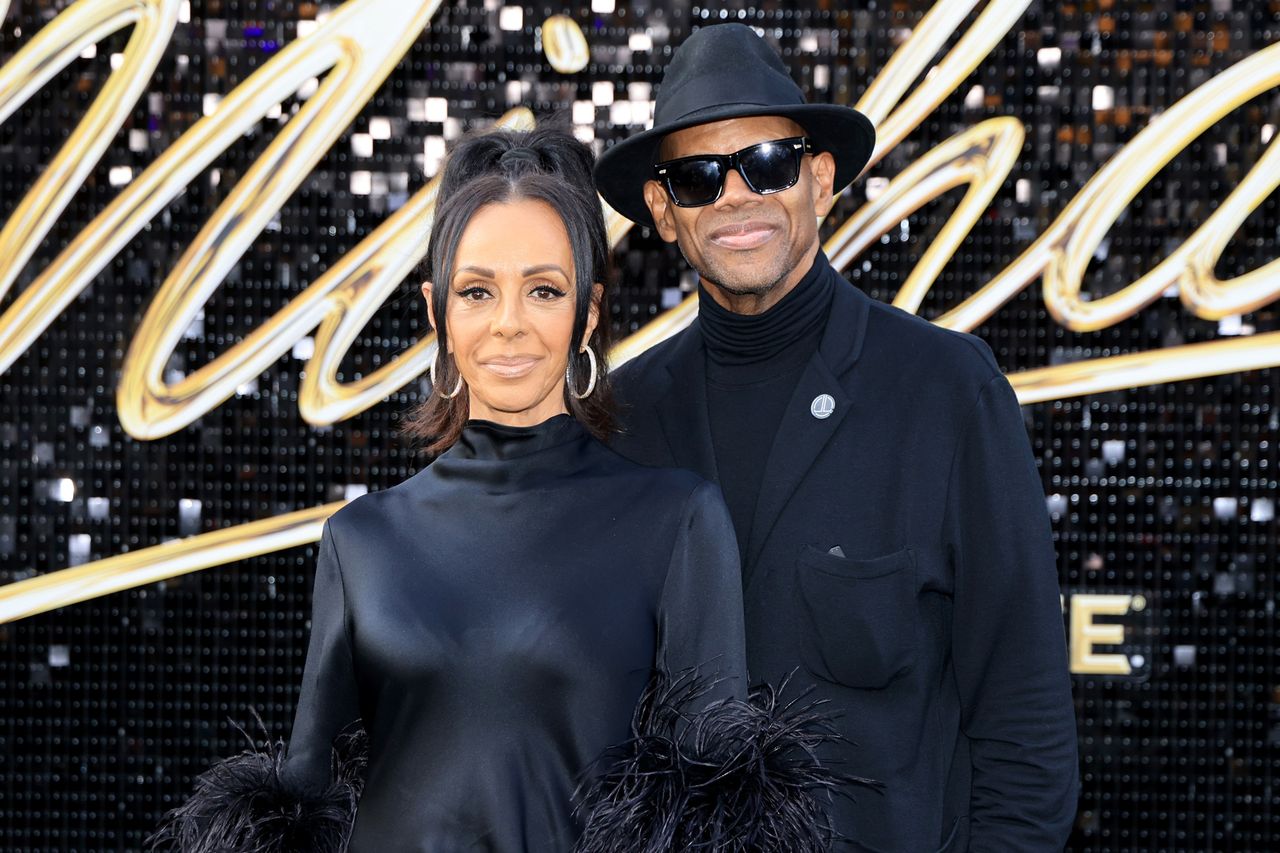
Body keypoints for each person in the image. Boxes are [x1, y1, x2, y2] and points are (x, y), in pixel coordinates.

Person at [147, 125, 844, 853]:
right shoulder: (361, 542)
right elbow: (308, 806)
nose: (509, 324)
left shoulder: (676, 522)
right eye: (478, 290)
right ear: (436, 312)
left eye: (543, 289)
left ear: (588, 315)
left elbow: (715, 819)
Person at [595, 23, 1080, 852]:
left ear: (819, 181)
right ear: (663, 212)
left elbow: (1025, 731)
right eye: (699, 176)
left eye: (770, 162)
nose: (737, 194)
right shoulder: (623, 421)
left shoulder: (948, 393)